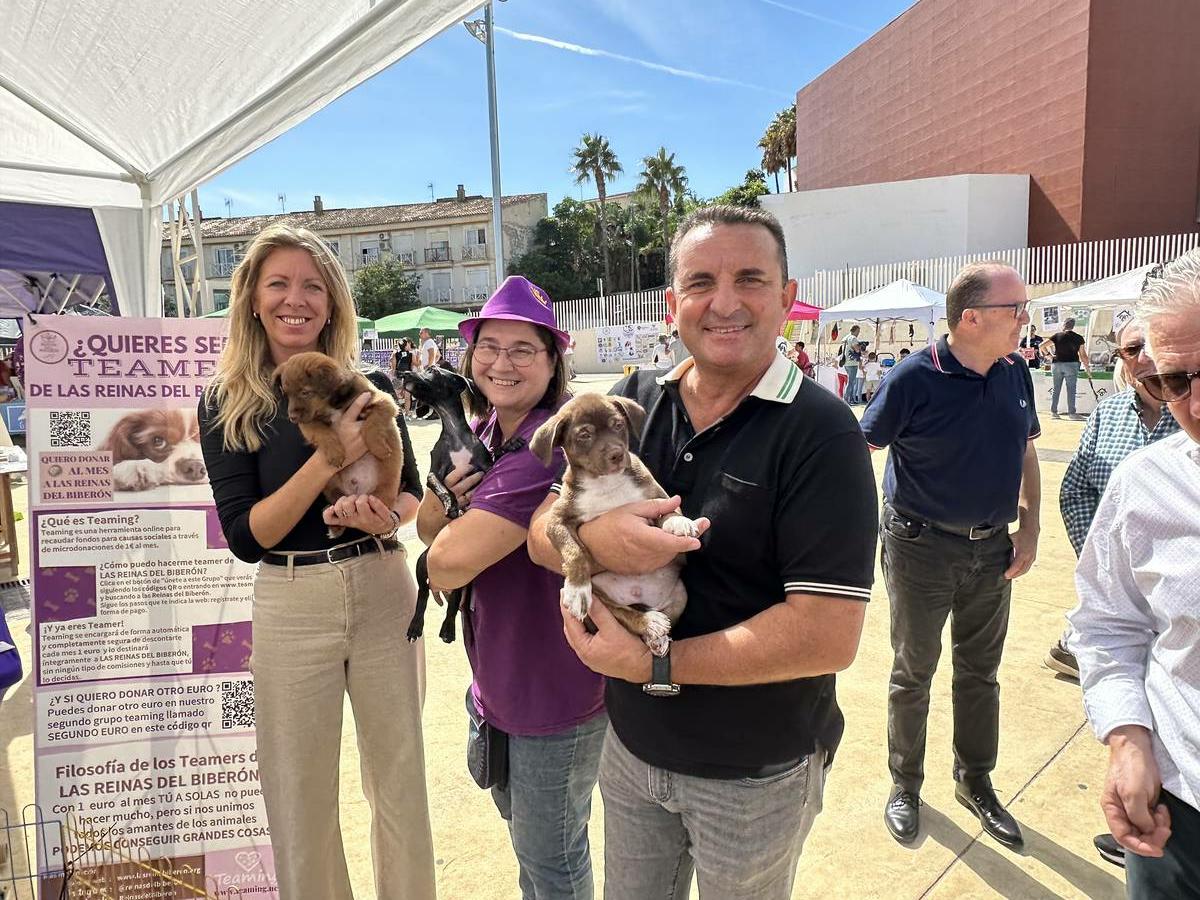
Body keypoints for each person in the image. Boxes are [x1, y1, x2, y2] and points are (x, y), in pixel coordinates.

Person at [528, 205, 877, 899]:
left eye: (750, 279)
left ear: (785, 296)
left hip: (754, 772)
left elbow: (827, 635)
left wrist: (654, 662)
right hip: (630, 749)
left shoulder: (823, 433)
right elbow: (543, 528)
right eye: (700, 282)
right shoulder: (631, 401)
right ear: (672, 302)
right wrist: (598, 541)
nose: (723, 303)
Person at [198, 224, 434, 900]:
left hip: (382, 585)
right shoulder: (227, 401)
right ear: (251, 297)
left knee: (400, 781)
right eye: (279, 283)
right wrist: (329, 455)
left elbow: (409, 492)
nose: (295, 299)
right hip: (291, 600)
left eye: (313, 285)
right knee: (298, 793)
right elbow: (247, 536)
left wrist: (385, 515)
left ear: (332, 303)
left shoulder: (367, 382)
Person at [421, 275, 606, 900]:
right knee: (534, 850)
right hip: (502, 677)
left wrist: (448, 510)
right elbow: (426, 522)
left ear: (554, 360)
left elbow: (442, 564)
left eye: (523, 348)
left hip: (551, 691)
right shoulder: (492, 432)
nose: (502, 362)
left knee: (552, 860)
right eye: (488, 346)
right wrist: (447, 498)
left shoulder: (545, 446)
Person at [861, 261, 1041, 850]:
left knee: (979, 673)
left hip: (992, 549)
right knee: (913, 671)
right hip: (920, 548)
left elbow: (1027, 452)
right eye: (1015, 309)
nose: (1024, 319)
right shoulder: (913, 378)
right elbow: (858, 446)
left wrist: (1030, 526)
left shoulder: (1015, 373)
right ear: (970, 318)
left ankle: (975, 780)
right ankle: (905, 784)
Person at [1068, 248, 1200, 897]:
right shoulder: (1144, 483)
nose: (1195, 404)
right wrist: (1126, 737)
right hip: (1180, 814)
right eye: (1174, 382)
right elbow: (1108, 622)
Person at [1043, 317, 1088, 419]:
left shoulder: (1057, 336)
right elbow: (1083, 355)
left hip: (1057, 364)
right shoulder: (1079, 338)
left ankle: (1054, 412)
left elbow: (1042, 346)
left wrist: (1049, 355)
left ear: (1064, 325)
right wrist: (1087, 368)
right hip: (1072, 364)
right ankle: (1072, 413)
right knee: (1071, 389)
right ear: (1073, 326)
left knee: (1056, 388)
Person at [392, 337, 415, 417]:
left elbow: (393, 367)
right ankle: (407, 413)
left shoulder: (395, 353)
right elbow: (412, 365)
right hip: (408, 375)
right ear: (406, 345)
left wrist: (393, 374)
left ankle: (397, 413)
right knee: (407, 396)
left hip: (398, 375)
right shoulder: (411, 354)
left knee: (396, 395)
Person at [840, 324, 863, 403]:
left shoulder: (845, 338)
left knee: (851, 381)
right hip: (852, 362)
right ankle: (846, 399)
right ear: (856, 330)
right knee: (851, 382)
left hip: (846, 362)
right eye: (858, 331)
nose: (858, 333)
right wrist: (861, 348)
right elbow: (857, 350)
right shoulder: (853, 338)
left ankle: (851, 399)